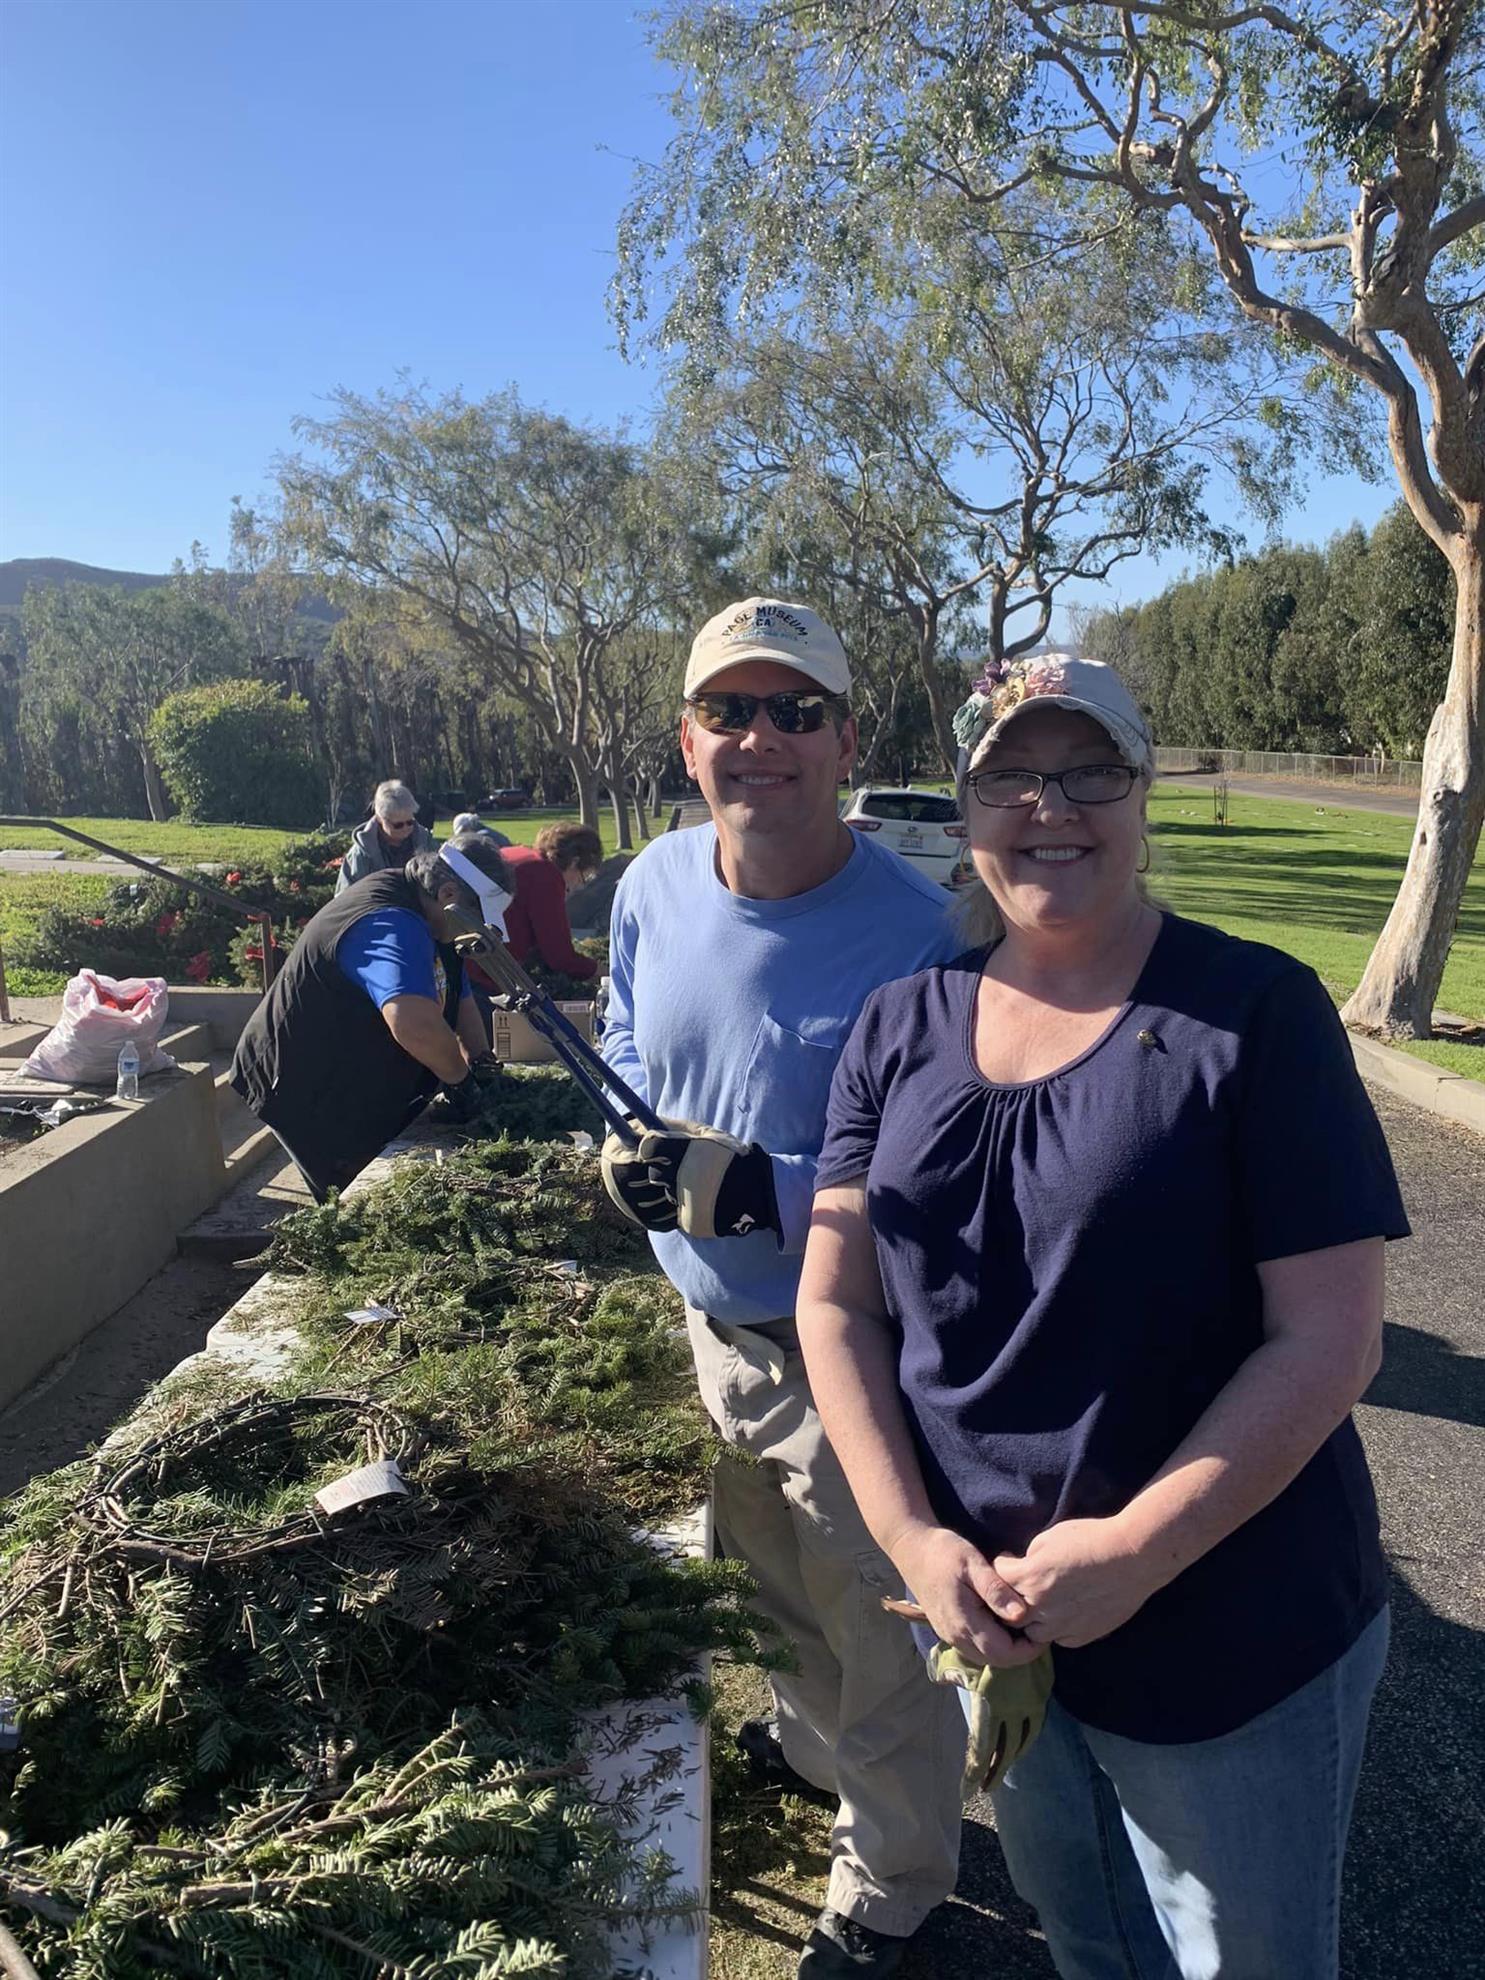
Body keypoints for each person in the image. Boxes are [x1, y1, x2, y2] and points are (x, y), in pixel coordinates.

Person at [798, 653, 1409, 1980]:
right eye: (1010, 776)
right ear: (967, 806)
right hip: (996, 1626)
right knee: (1089, 1942)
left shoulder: (1254, 1013)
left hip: (1230, 1630)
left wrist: (1133, 1551)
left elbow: (1331, 1337)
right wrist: (912, 1540)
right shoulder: (899, 1026)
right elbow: (837, 1300)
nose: (1049, 807)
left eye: (1089, 772)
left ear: (1142, 794)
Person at [600, 598, 966, 1978]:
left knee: (882, 1631)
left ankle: (896, 1880)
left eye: (795, 712)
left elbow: (953, 1172)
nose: (761, 737)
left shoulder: (925, 938)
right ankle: (812, 1752)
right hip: (710, 1323)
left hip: (852, 1356)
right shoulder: (652, 882)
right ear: (687, 738)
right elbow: (626, 1032)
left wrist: (771, 1185)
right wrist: (625, 1141)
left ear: (845, 742)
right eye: (730, 710)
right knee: (769, 1590)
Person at [232, 832, 512, 1199]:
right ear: (448, 894)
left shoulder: (437, 917)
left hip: (355, 1069)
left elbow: (460, 999)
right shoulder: (391, 922)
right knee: (357, 1196)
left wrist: (481, 1062)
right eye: (478, 918)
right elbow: (413, 1023)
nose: (478, 930)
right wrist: (462, 1084)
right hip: (308, 1083)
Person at [334, 779, 434, 894]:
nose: (405, 828)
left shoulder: (426, 842)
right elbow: (344, 897)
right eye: (398, 825)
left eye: (410, 822)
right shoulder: (360, 855)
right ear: (380, 819)